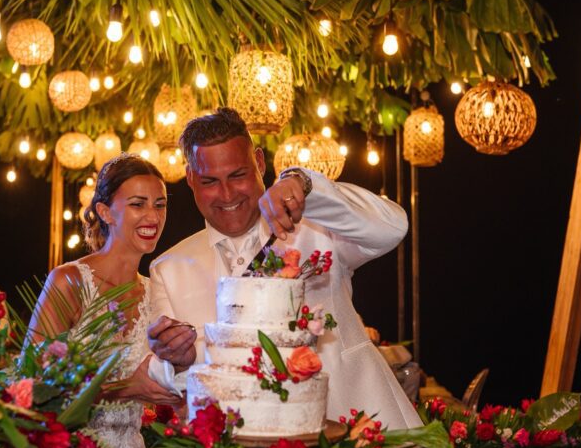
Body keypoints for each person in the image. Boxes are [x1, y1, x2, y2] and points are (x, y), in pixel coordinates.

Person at [147, 108, 422, 430]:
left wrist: (304, 185)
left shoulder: (319, 229)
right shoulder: (168, 269)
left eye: (238, 175)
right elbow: (181, 376)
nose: (227, 194)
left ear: (260, 163)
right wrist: (176, 361)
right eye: (210, 181)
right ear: (190, 177)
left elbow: (392, 227)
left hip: (353, 427)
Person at [28, 153, 181, 448]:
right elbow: (34, 389)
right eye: (138, 204)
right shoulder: (70, 281)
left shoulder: (157, 292)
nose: (153, 216)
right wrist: (126, 389)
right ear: (105, 211)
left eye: (160, 205)